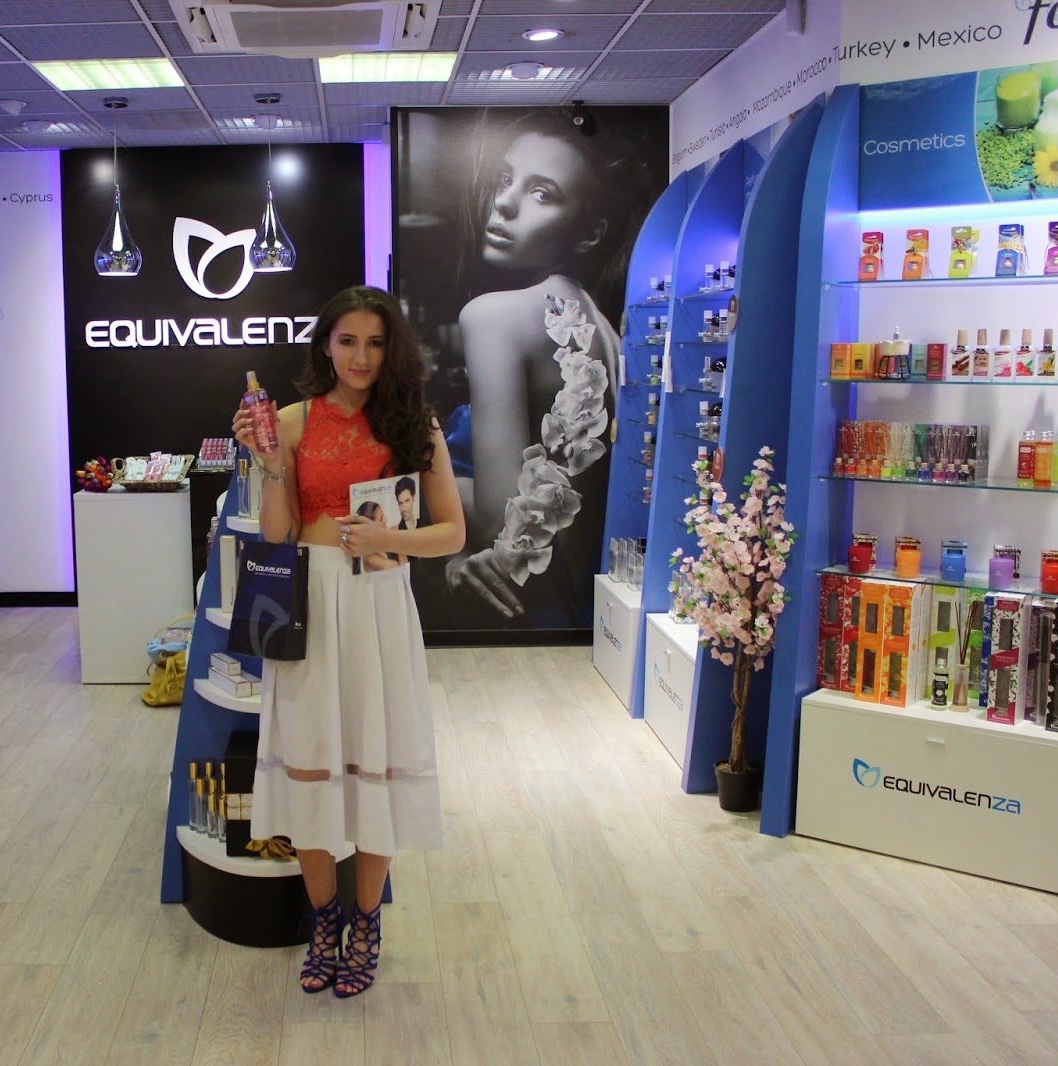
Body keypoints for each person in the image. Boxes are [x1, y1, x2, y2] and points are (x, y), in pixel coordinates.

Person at [230, 285, 464, 999]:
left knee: (376, 762)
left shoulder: (415, 423)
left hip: (380, 606)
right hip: (308, 602)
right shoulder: (292, 421)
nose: (361, 357)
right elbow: (277, 534)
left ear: (393, 350)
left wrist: (388, 538)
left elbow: (452, 533)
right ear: (325, 345)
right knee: (307, 764)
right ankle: (323, 923)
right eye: (348, 341)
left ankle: (366, 925)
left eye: (376, 342)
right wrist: (268, 462)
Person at [438, 110, 654, 627]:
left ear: (590, 233)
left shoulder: (493, 316)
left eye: (542, 193)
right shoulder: (606, 332)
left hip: (519, 610)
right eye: (504, 179)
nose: (504, 203)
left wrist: (424, 473)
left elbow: (497, 521)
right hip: (585, 606)